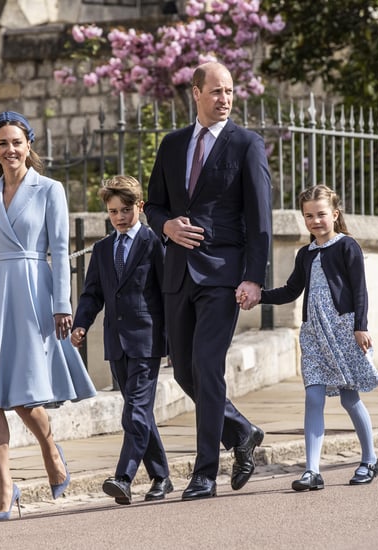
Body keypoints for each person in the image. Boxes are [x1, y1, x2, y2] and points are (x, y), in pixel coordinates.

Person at [0, 111, 96, 521]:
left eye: (17, 142)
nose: (11, 150)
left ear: (29, 146)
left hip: (33, 292)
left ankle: (49, 449)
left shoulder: (50, 190)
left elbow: (59, 250)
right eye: (3, 143)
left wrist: (62, 303)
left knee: (25, 396)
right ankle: (5, 490)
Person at [144, 61, 272, 500]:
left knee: (207, 366)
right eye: (216, 91)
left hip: (223, 276)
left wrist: (254, 278)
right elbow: (153, 205)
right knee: (182, 370)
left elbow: (260, 220)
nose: (225, 99)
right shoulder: (173, 144)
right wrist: (167, 228)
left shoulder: (247, 145)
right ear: (195, 93)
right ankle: (241, 430)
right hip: (178, 274)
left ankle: (205, 473)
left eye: (230, 92)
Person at [256, 184, 378, 491]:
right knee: (313, 397)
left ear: (334, 214)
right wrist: (257, 296)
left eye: (321, 214)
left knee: (350, 398)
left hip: (343, 329)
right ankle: (312, 470)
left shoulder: (347, 246)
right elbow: (290, 290)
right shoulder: (305, 254)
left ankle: (369, 459)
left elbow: (359, 290)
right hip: (313, 333)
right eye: (308, 216)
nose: (315, 221)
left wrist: (361, 327)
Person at [71, 175, 172, 505]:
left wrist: (173, 338)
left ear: (139, 207)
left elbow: (166, 293)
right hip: (115, 342)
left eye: (126, 210)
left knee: (134, 413)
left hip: (147, 339)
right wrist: (81, 324)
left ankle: (124, 477)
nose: (119, 217)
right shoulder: (102, 249)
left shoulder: (154, 242)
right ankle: (161, 477)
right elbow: (92, 293)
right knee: (139, 412)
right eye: (113, 211)